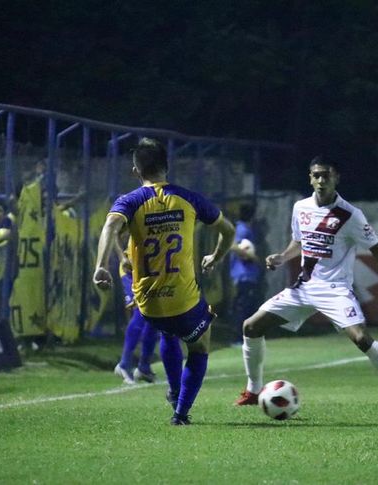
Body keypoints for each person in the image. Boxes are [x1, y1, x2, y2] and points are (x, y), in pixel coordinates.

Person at [234, 156, 378, 408]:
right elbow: (300, 241)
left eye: (326, 175)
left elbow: (377, 250)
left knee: (361, 339)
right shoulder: (300, 207)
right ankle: (253, 390)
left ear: (337, 178)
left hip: (335, 290)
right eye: (316, 175)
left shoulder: (351, 215)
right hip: (303, 289)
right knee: (251, 327)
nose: (321, 180)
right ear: (310, 178)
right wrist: (282, 257)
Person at [93, 137, 235, 425]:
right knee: (199, 346)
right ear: (167, 167)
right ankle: (180, 413)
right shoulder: (189, 198)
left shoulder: (129, 202)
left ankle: (171, 387)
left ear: (136, 172)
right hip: (183, 299)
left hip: (149, 304)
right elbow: (228, 230)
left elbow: (110, 226)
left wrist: (100, 266)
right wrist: (217, 256)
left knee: (167, 333)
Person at [113, 236, 174, 385]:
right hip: (131, 270)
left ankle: (144, 367)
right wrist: (122, 257)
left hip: (152, 270)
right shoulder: (134, 211)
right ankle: (124, 364)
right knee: (141, 313)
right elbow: (113, 230)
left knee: (155, 317)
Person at [229, 203, 262, 345]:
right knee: (243, 307)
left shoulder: (245, 228)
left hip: (248, 274)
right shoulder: (242, 229)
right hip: (244, 275)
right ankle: (238, 338)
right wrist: (251, 256)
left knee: (248, 307)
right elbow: (233, 246)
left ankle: (247, 337)